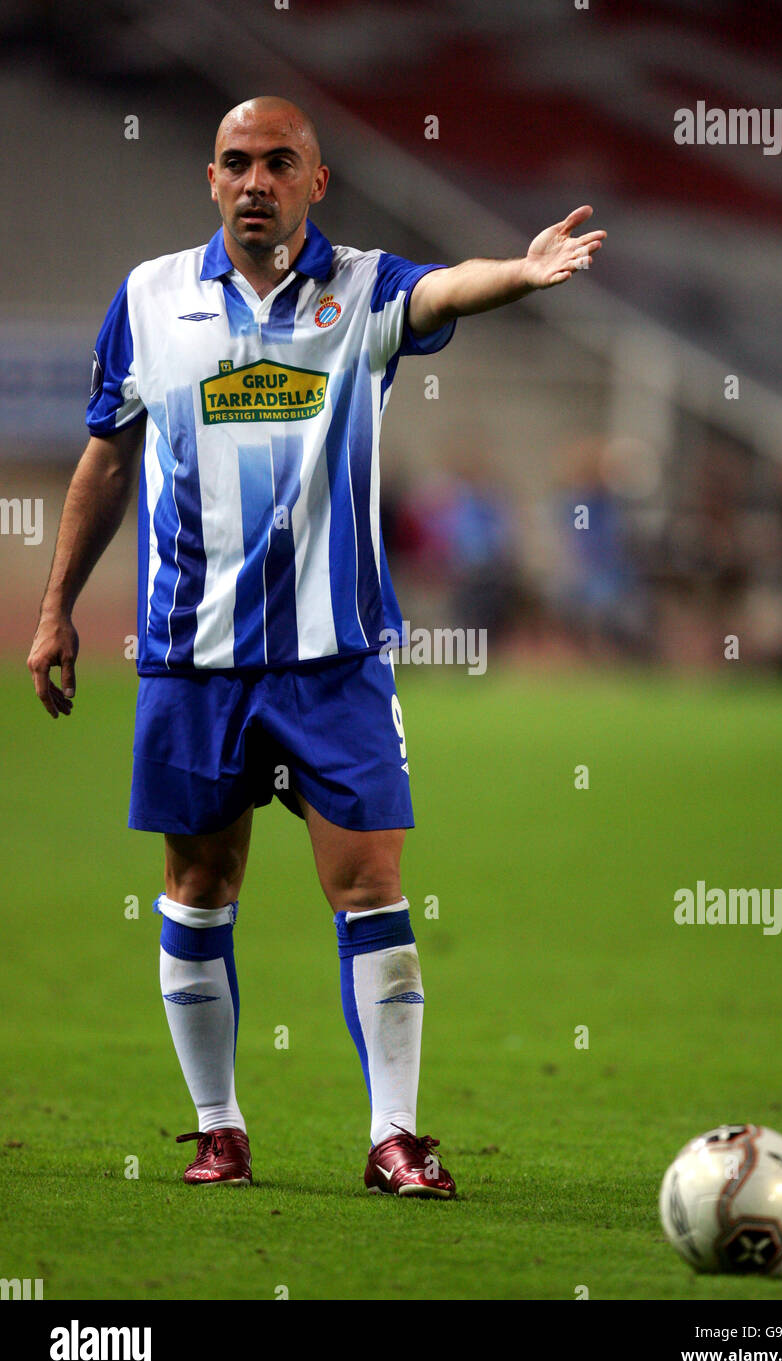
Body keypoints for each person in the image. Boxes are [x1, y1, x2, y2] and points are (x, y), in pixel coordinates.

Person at [27, 96, 606, 1195]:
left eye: (277, 163)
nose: (255, 181)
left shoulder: (364, 290)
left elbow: (444, 288)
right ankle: (217, 1128)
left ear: (314, 181)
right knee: (198, 886)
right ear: (210, 180)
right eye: (236, 163)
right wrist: (58, 607)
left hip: (332, 660)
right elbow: (105, 457)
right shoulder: (149, 299)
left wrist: (520, 275)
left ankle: (394, 1135)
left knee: (372, 882)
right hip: (191, 660)